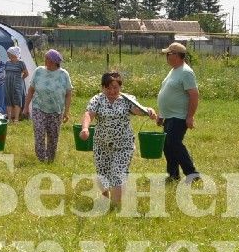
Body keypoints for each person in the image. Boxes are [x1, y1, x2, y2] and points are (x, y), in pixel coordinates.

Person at [81, 72, 157, 206]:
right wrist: (85, 128)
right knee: (102, 174)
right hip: (101, 144)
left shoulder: (127, 99)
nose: (111, 91)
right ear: (102, 87)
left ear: (120, 87)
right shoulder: (97, 99)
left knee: (117, 173)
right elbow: (89, 114)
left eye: (115, 87)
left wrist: (148, 111)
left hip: (123, 144)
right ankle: (105, 199)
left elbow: (137, 109)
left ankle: (115, 207)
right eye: (108, 88)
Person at [156, 42, 200, 183]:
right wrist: (161, 114)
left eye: (168, 54)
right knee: (167, 146)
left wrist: (190, 116)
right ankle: (173, 175)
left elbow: (194, 94)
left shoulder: (186, 72)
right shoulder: (174, 70)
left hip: (179, 117)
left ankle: (192, 174)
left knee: (174, 144)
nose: (166, 57)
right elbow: (168, 94)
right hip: (169, 116)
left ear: (176, 55)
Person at [24, 49, 74, 162]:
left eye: (48, 59)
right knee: (39, 133)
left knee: (53, 137)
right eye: (45, 58)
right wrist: (26, 107)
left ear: (55, 61)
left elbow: (68, 93)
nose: (45, 61)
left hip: (56, 111)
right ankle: (41, 159)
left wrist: (66, 112)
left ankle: (50, 159)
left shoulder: (63, 74)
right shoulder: (39, 71)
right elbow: (31, 90)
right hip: (39, 108)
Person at [3, 45, 30, 122]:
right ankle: (9, 118)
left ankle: (16, 119)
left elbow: (26, 73)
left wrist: (21, 79)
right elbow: (6, 72)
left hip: (17, 84)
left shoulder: (21, 63)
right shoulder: (7, 63)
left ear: (13, 54)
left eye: (9, 54)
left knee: (17, 100)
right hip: (8, 84)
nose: (8, 55)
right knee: (8, 100)